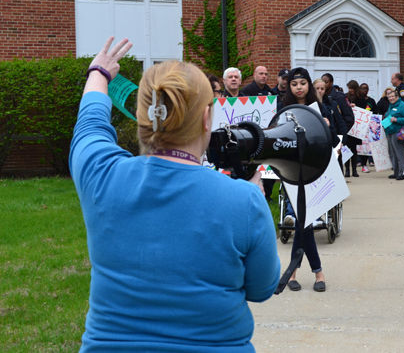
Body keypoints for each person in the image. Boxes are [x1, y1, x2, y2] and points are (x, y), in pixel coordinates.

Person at [69, 37, 280, 351]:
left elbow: (89, 126)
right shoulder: (243, 200)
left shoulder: (101, 175)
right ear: (207, 119)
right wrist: (255, 200)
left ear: (143, 118)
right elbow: (262, 288)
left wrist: (99, 72)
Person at [281, 67, 337, 293]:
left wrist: (327, 126)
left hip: (313, 171)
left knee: (305, 222)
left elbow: (331, 140)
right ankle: (317, 273)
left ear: (308, 85)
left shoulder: (319, 108)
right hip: (292, 171)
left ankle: (294, 272)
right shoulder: (283, 108)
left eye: (303, 83)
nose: (299, 87)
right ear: (290, 87)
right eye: (294, 84)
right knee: (304, 224)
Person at [384, 88, 404, 180]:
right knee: (392, 153)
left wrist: (396, 120)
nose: (391, 98)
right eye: (389, 97)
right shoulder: (391, 105)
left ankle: (402, 173)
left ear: (397, 97)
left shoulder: (403, 105)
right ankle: (396, 172)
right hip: (389, 132)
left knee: (399, 153)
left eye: (392, 96)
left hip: (398, 132)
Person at [344, 79, 368, 177]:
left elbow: (364, 109)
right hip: (347, 126)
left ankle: (354, 170)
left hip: (357, 127)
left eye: (352, 88)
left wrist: (355, 106)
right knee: (346, 149)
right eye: (349, 88)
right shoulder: (345, 97)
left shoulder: (360, 97)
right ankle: (347, 170)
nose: (350, 90)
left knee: (354, 150)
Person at [359, 82, 377, 172]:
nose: (364, 90)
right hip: (359, 128)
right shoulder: (357, 100)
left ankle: (365, 164)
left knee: (367, 146)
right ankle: (360, 163)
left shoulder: (371, 101)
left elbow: (376, 112)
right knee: (360, 146)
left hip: (369, 127)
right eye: (362, 88)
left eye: (366, 88)